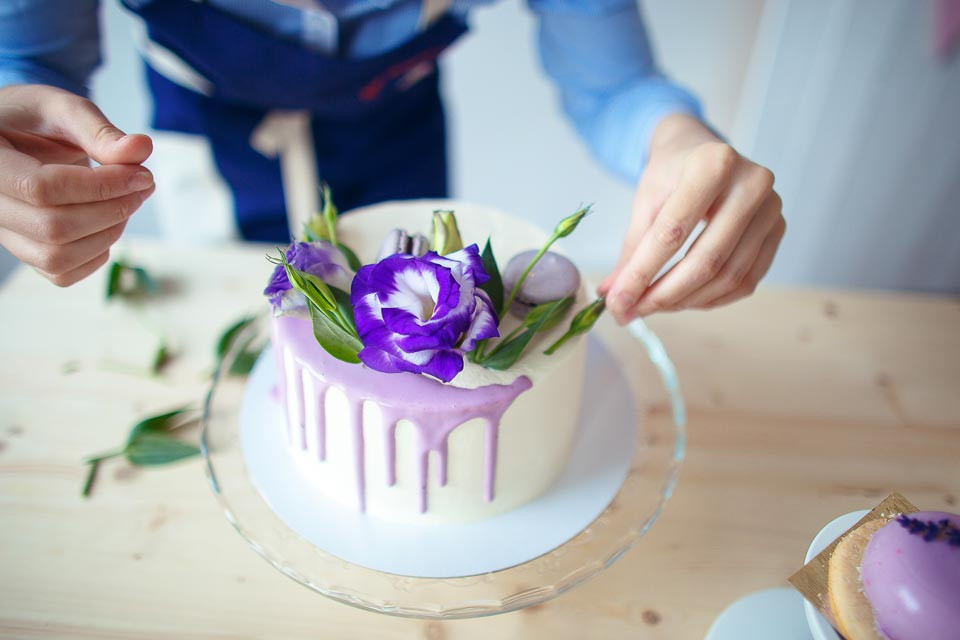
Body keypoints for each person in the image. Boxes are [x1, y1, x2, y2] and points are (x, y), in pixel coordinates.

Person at [0, 0, 784, 324]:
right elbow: (25, 60)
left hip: (398, 146)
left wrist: (677, 140)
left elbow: (618, 86)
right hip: (207, 152)